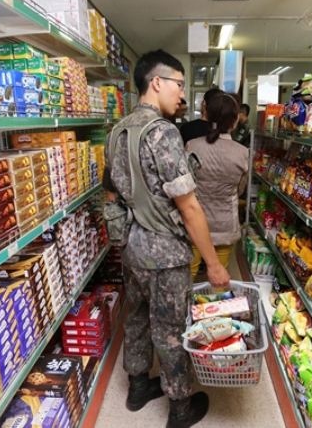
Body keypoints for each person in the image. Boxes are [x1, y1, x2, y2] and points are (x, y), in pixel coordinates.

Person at [102, 49, 230, 428]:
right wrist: (213, 263)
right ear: (157, 82)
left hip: (132, 248)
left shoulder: (117, 131)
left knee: (137, 318)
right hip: (165, 255)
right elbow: (189, 208)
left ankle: (138, 386)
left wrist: (126, 236)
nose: (183, 94)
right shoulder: (163, 133)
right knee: (171, 330)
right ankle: (180, 408)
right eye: (179, 84)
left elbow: (111, 194)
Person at [185, 94, 249, 276]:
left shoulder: (192, 146)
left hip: (195, 221)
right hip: (225, 223)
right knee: (220, 274)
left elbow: (186, 186)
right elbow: (240, 189)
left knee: (189, 272)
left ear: (208, 116)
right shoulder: (242, 152)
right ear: (234, 122)